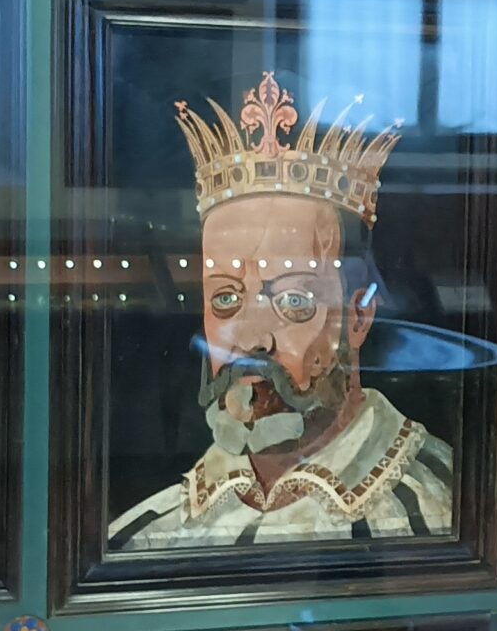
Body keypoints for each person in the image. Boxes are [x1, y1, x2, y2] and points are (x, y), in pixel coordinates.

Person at [108, 71, 455, 551]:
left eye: (293, 301)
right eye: (226, 298)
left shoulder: (439, 513)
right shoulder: (145, 537)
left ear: (358, 317)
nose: (252, 338)